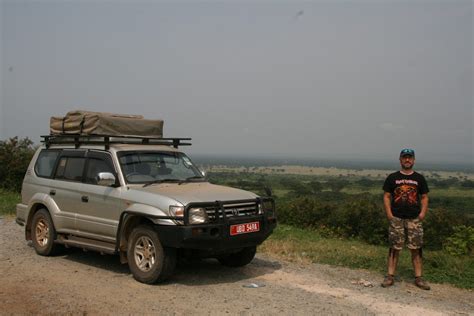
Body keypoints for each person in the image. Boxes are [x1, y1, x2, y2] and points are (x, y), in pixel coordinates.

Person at [381, 148, 430, 290]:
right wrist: (389, 214)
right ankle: (390, 276)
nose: (407, 160)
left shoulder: (419, 178)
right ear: (400, 159)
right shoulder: (392, 177)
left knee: (416, 248)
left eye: (409, 157)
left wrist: (422, 214)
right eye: (404, 157)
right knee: (394, 248)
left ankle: (419, 278)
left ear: (413, 160)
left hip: (414, 219)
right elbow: (386, 196)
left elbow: (425, 197)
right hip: (396, 218)